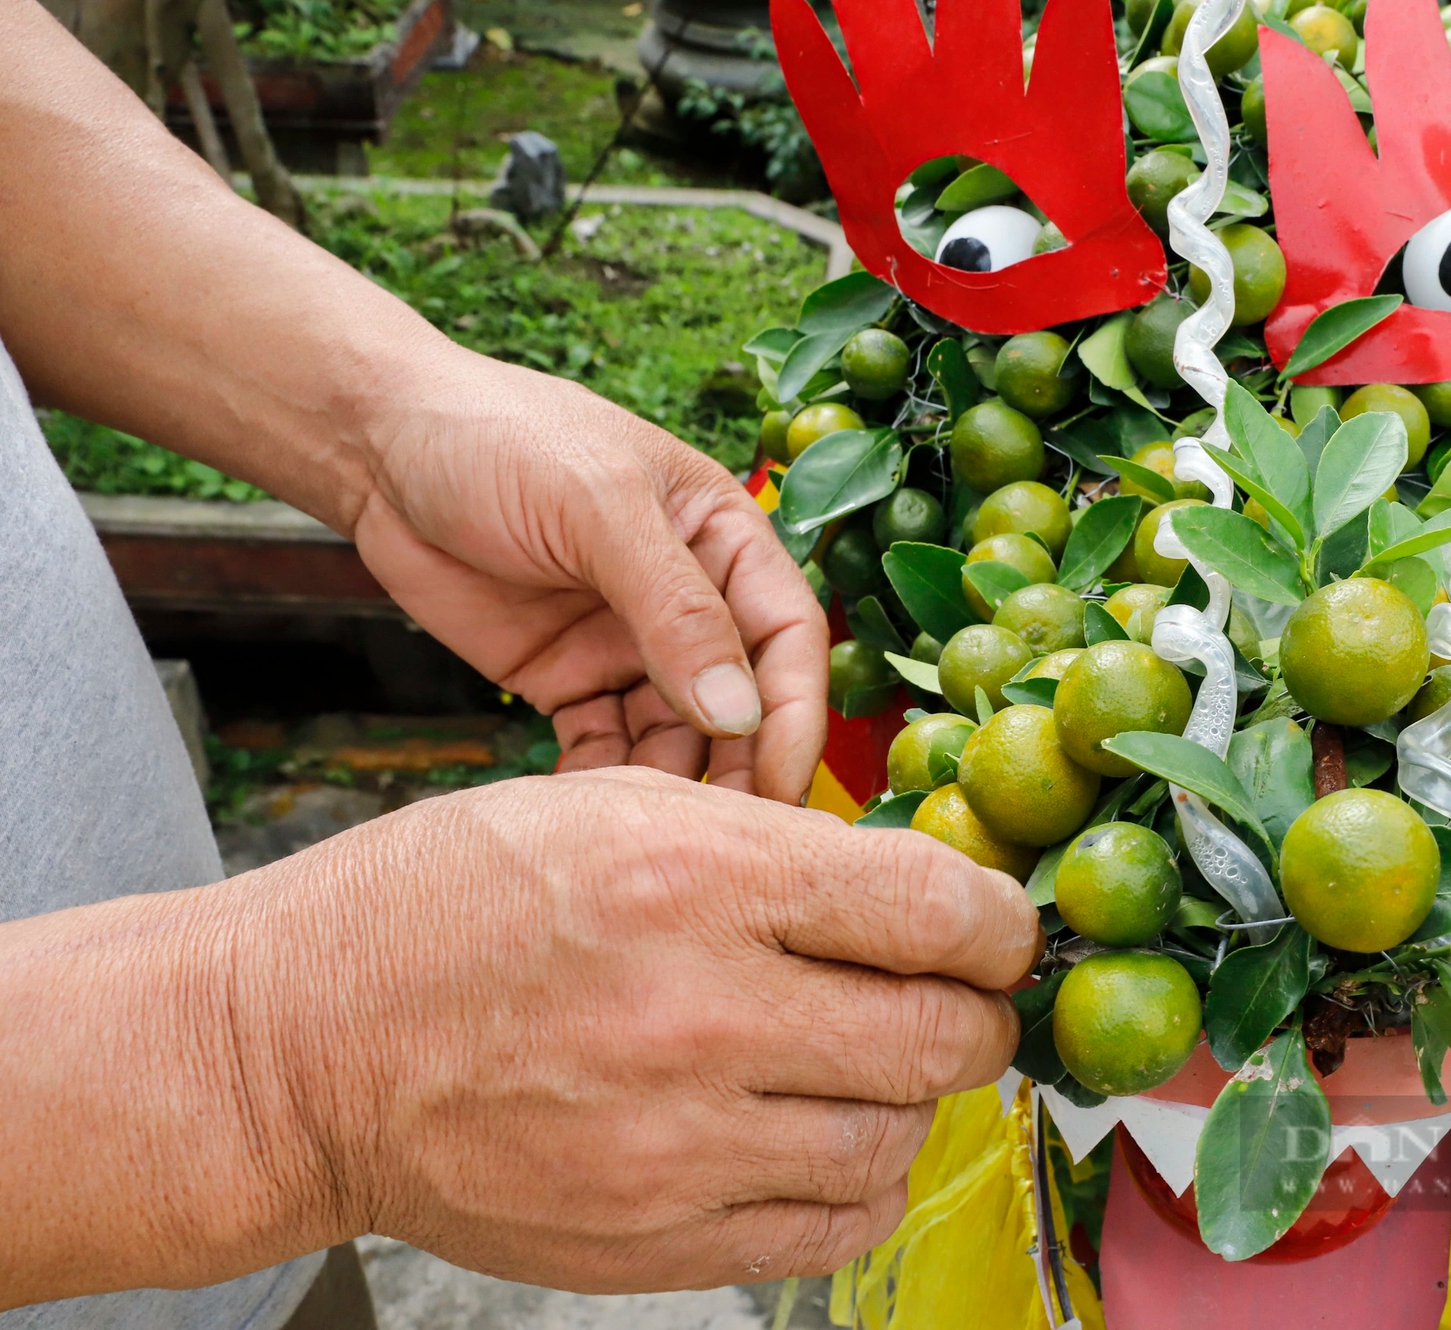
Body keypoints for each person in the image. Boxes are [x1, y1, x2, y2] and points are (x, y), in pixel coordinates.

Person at [0, 1, 1039, 1325]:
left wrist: (380, 415)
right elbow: (283, 1077)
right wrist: (275, 1069)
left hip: (223, 1247)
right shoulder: (286, 1085)